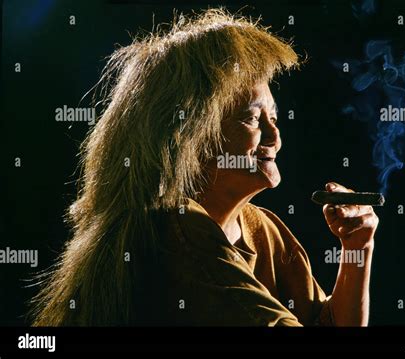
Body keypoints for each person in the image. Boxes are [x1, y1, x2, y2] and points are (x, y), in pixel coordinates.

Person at [31, 8, 378, 326]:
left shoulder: (262, 229)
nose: (275, 136)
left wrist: (357, 249)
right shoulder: (174, 228)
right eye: (251, 118)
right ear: (188, 133)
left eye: (274, 117)